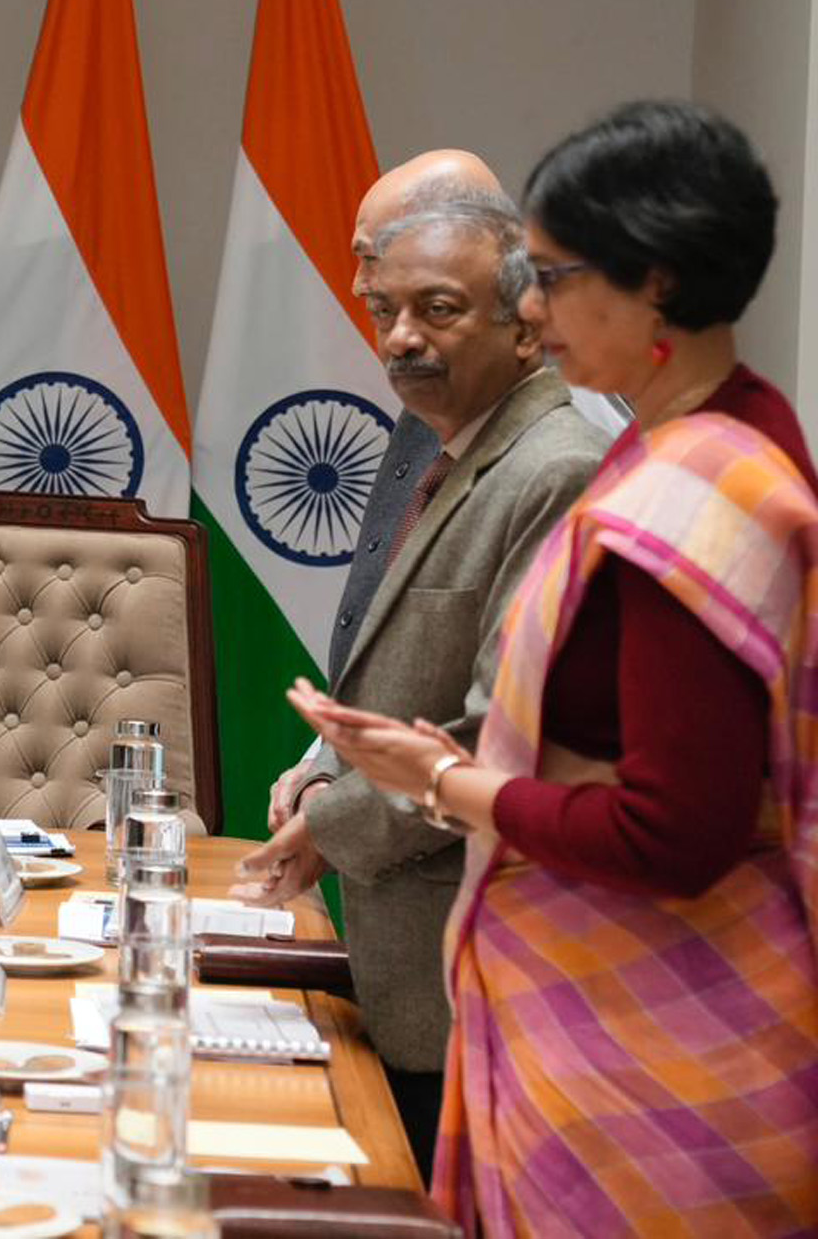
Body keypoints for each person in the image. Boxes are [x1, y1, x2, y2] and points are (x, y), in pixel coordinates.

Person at [292, 100, 818, 1230]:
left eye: (555, 273)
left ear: (656, 286)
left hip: (661, 1055)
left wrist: (441, 780)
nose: (529, 306)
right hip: (577, 1019)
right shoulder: (684, 434)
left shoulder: (694, 487)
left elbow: (675, 832)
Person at [232, 177, 607, 1179]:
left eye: (437, 309)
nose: (400, 338)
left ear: (527, 326)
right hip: (409, 954)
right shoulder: (455, 452)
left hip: (475, 957)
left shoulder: (552, 469)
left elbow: (507, 735)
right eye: (383, 310)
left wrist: (333, 824)